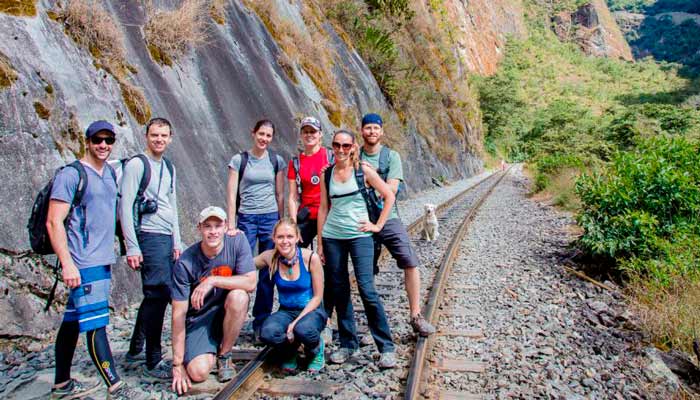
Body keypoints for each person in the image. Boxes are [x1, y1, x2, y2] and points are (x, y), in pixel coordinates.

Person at [46, 120, 146, 399]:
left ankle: (61, 383)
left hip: (102, 259)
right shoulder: (71, 175)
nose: (103, 145)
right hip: (83, 262)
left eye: (108, 140)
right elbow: (54, 222)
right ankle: (115, 385)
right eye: (98, 140)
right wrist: (67, 263)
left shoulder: (109, 174)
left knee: (72, 322)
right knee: (96, 325)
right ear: (87, 141)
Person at [317, 129, 398, 368]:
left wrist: (378, 225)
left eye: (345, 145)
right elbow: (323, 208)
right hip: (333, 237)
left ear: (353, 147)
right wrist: (321, 242)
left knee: (367, 289)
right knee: (339, 290)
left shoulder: (363, 170)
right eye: (336, 145)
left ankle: (386, 346)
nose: (340, 150)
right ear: (332, 147)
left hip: (359, 236)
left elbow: (389, 196)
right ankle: (348, 344)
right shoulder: (328, 173)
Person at [359, 113, 436, 338]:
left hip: (388, 217)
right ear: (362, 131)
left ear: (381, 132)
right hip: (363, 219)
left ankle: (416, 315)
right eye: (368, 128)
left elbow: (391, 190)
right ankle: (371, 321)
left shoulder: (391, 157)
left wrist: (369, 176)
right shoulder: (356, 155)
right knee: (365, 272)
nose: (372, 132)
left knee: (410, 261)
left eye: (376, 128)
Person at [170, 206, 256, 394]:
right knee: (198, 373)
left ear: (225, 227)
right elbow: (178, 314)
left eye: (218, 226)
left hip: (226, 309)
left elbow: (250, 282)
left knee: (239, 296)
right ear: (199, 228)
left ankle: (224, 354)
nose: (213, 231)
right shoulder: (185, 263)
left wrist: (213, 280)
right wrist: (177, 364)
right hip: (199, 318)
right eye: (208, 226)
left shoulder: (237, 242)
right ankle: (209, 347)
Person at [120, 117, 181, 379]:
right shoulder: (137, 165)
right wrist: (131, 246)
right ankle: (153, 360)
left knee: (154, 294)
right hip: (148, 235)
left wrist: (177, 240)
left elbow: (172, 204)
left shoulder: (168, 166)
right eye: (155, 135)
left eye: (164, 135)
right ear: (146, 136)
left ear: (170, 138)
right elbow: (124, 206)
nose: (159, 140)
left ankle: (135, 347)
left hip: (166, 236)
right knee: (159, 294)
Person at [226, 119, 286, 339]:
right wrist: (231, 224)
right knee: (242, 268)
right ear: (253, 133)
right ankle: (234, 315)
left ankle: (261, 319)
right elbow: (232, 193)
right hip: (246, 219)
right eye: (261, 134)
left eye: (268, 136)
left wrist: (280, 222)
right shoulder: (239, 160)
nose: (264, 139)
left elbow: (280, 194)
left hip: (270, 218)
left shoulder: (276, 160)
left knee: (267, 271)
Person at [255, 218, 326, 372]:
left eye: (289, 236)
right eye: (280, 237)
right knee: (267, 332)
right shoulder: (270, 257)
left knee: (303, 330)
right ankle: (290, 351)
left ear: (297, 237)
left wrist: (293, 325)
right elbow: (244, 264)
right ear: (274, 238)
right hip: (286, 311)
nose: (284, 241)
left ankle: (316, 348)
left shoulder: (310, 258)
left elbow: (317, 297)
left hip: (311, 310)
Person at [287, 116, 333, 248]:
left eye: (312, 132)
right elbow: (293, 197)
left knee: (331, 259)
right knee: (290, 249)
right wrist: (293, 226)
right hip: (307, 215)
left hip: (329, 214)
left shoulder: (331, 157)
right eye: (305, 132)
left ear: (320, 134)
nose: (309, 135)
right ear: (301, 135)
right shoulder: (295, 163)